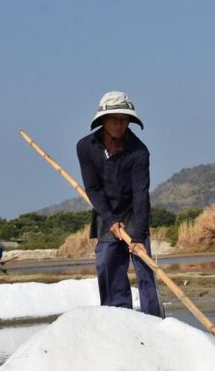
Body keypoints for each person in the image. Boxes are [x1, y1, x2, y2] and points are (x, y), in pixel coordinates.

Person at [76, 91, 164, 318]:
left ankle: (154, 321)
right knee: (107, 263)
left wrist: (138, 236)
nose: (120, 124)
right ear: (103, 120)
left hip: (134, 212)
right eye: (115, 118)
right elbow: (93, 189)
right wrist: (110, 219)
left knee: (144, 268)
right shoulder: (86, 147)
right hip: (106, 211)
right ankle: (118, 319)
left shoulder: (139, 152)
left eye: (124, 119)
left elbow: (141, 194)